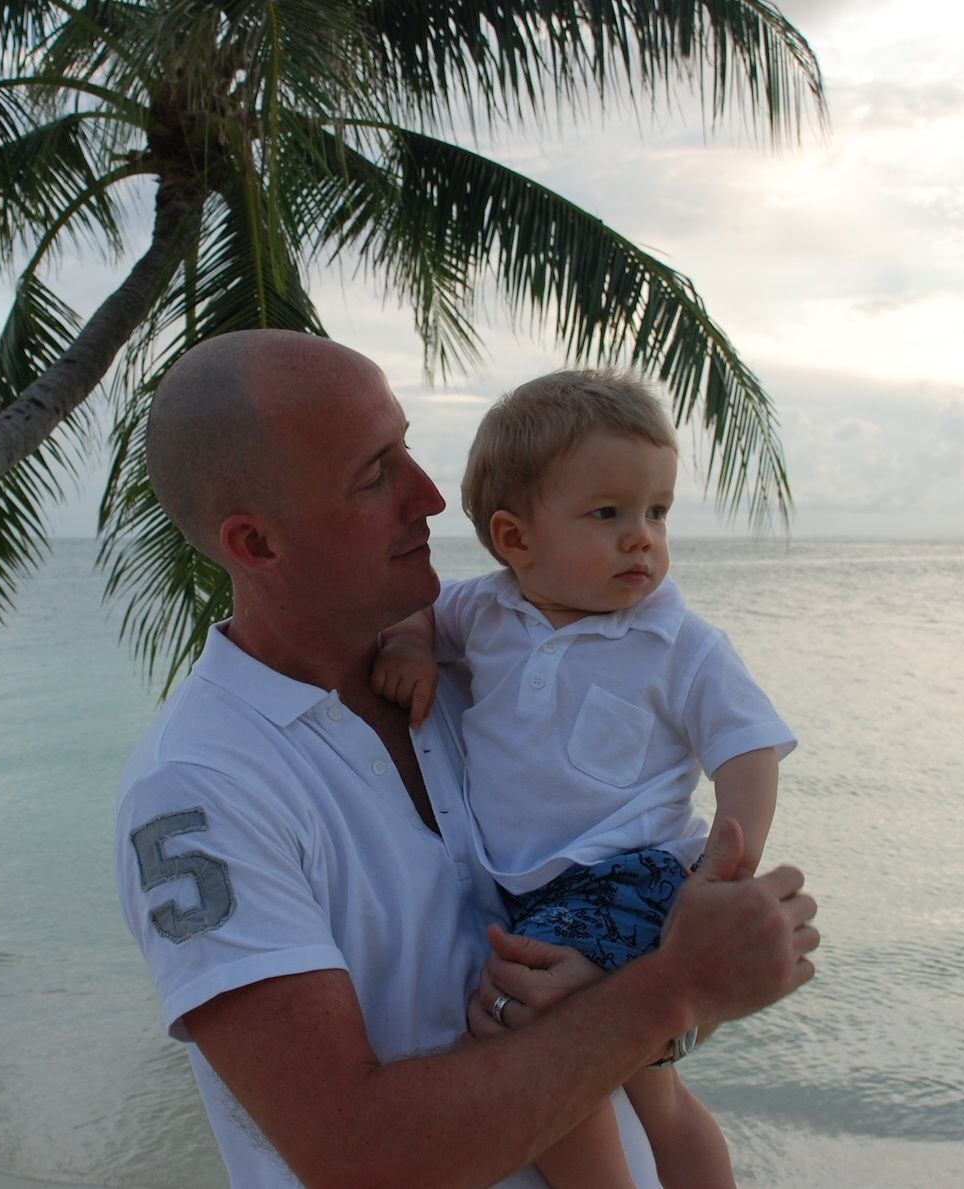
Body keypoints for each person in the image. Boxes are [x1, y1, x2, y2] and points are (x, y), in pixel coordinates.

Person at [115, 330, 819, 1187]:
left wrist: (680, 984)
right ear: (257, 544)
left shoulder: (479, 675)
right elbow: (355, 1155)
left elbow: (627, 1000)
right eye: (375, 474)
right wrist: (674, 988)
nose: (431, 496)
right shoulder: (201, 789)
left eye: (408, 447)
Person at [371, 371, 793, 1188]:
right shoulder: (483, 612)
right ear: (515, 538)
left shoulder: (678, 640)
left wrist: (723, 873)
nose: (642, 538)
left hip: (632, 879)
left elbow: (748, 750)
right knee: (651, 1087)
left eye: (658, 512)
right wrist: (415, 648)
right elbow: (416, 611)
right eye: (609, 514)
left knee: (534, 1038)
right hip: (538, 893)